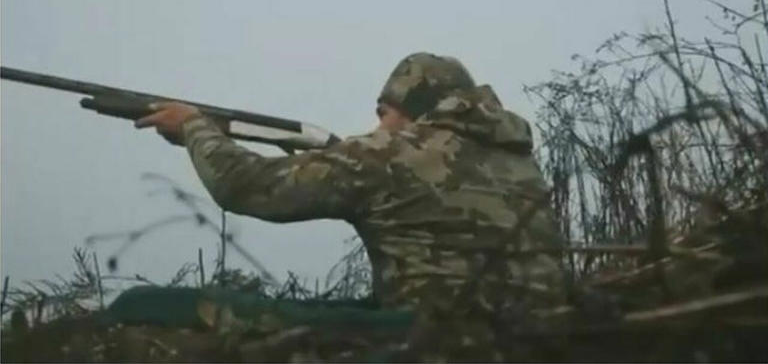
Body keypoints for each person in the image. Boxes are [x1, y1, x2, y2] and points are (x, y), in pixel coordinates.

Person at [135, 52, 564, 315]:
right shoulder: (519, 161)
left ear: (412, 107)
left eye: (383, 112)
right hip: (537, 334)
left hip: (437, 340)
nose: (377, 124)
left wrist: (194, 127)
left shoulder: (387, 155)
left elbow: (244, 185)